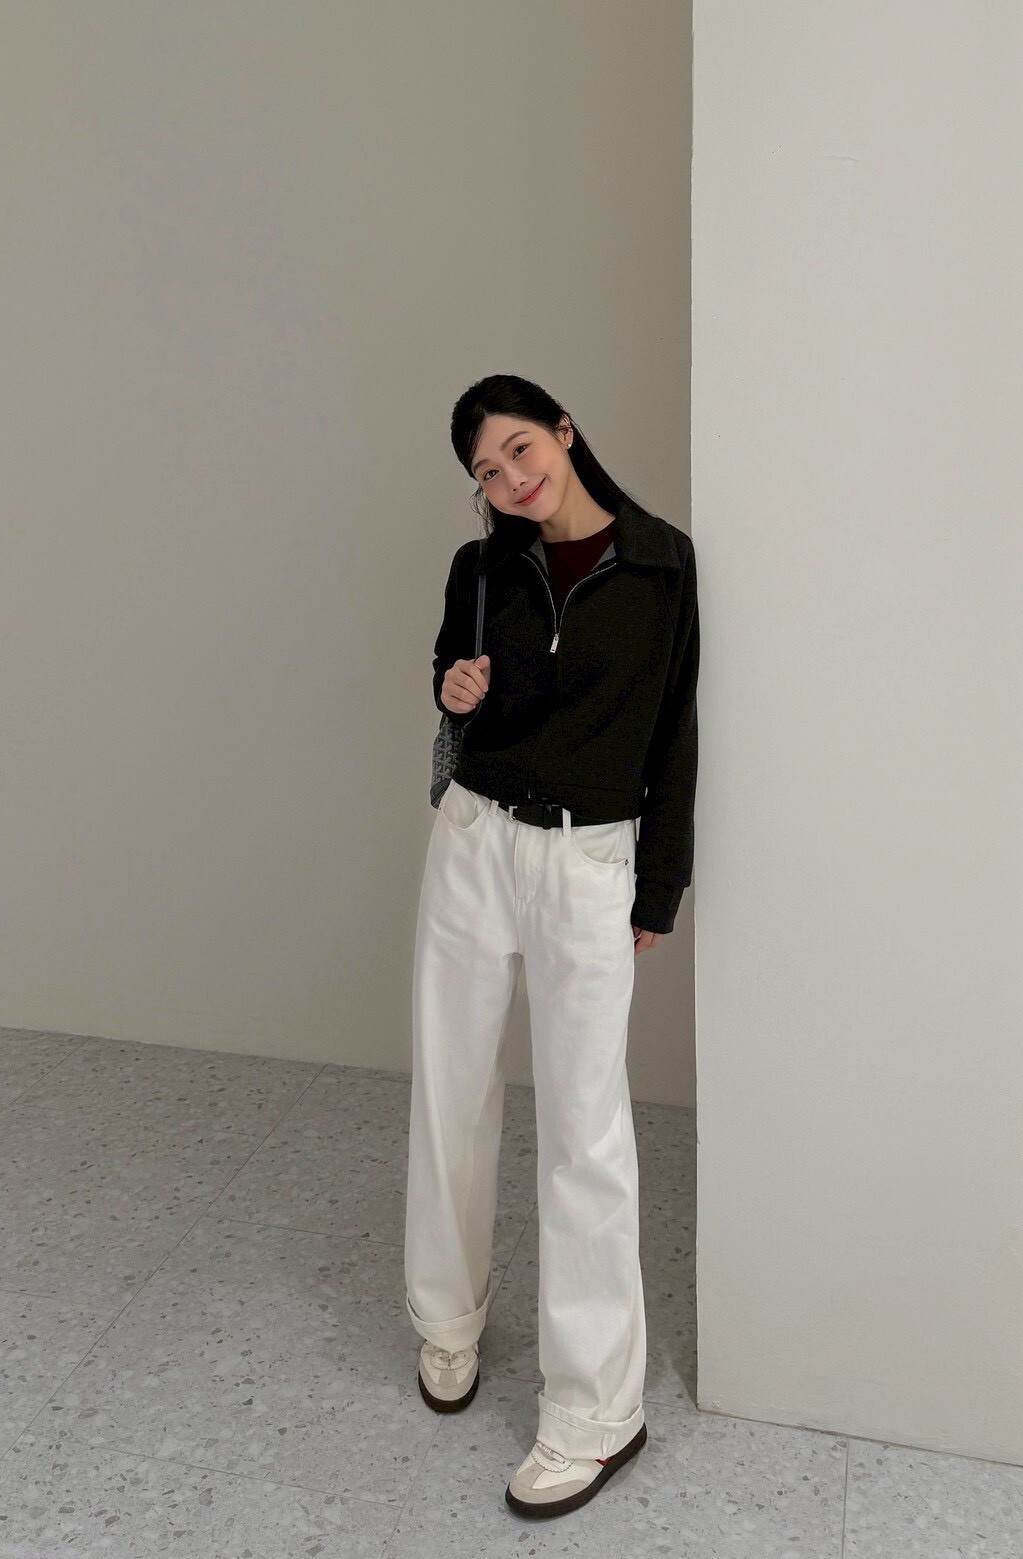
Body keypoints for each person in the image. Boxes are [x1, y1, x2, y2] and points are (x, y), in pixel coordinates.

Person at [404, 373, 699, 1520]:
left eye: (520, 449)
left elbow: (673, 734)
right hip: (475, 839)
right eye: (487, 471)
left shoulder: (661, 565)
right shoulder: (481, 569)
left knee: (585, 1129)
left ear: (565, 432)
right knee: (451, 1091)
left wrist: (659, 883)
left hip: (587, 858)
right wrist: (456, 687)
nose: (511, 479)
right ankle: (447, 1318)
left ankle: (595, 1409)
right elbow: (452, 689)